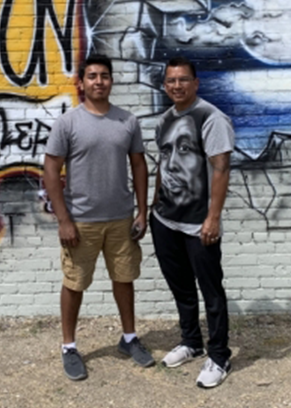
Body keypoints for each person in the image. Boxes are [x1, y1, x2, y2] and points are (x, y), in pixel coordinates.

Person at [43, 54, 154, 381]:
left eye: (104, 76)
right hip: (81, 222)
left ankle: (129, 338)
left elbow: (139, 166)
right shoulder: (68, 123)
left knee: (124, 278)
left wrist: (142, 211)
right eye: (92, 76)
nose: (99, 81)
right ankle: (69, 346)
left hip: (121, 218)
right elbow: (51, 170)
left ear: (111, 81)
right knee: (74, 283)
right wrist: (64, 220)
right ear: (81, 82)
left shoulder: (127, 121)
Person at [150, 56, 235, 389]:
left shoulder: (210, 118)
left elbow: (221, 169)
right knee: (181, 287)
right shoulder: (165, 120)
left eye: (183, 80)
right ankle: (191, 341)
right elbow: (162, 164)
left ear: (195, 83)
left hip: (198, 224)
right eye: (170, 81)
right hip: (165, 219)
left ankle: (219, 355)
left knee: (211, 291)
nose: (176, 86)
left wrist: (213, 218)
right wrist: (153, 204)